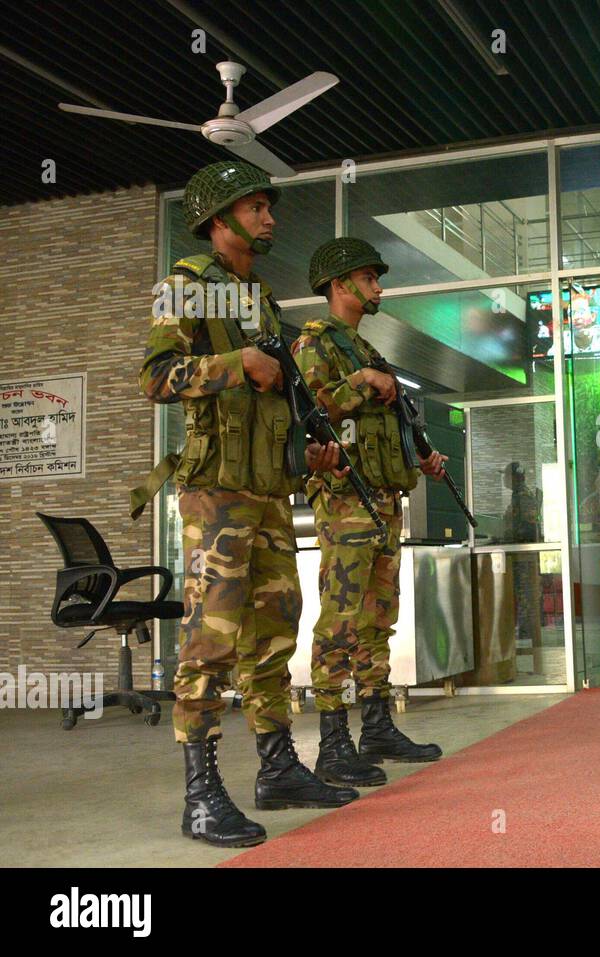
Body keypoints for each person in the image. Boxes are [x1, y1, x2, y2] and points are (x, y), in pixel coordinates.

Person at [135, 161, 359, 848]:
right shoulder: (185, 287)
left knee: (274, 631)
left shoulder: (258, 297)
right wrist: (234, 365)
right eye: (257, 207)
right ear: (218, 216)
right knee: (210, 640)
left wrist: (309, 450)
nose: (270, 219)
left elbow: (275, 402)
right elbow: (155, 377)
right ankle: (201, 794)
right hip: (216, 496)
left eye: (268, 207)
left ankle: (276, 765)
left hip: (265, 493)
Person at [292, 237, 450, 786]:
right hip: (343, 499)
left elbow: (393, 425)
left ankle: (377, 723)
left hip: (384, 499)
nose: (378, 287)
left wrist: (423, 457)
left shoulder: (367, 349)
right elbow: (313, 409)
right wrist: (362, 382)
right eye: (369, 278)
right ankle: (333, 740)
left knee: (379, 616)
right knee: (339, 618)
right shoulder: (315, 343)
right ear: (340, 285)